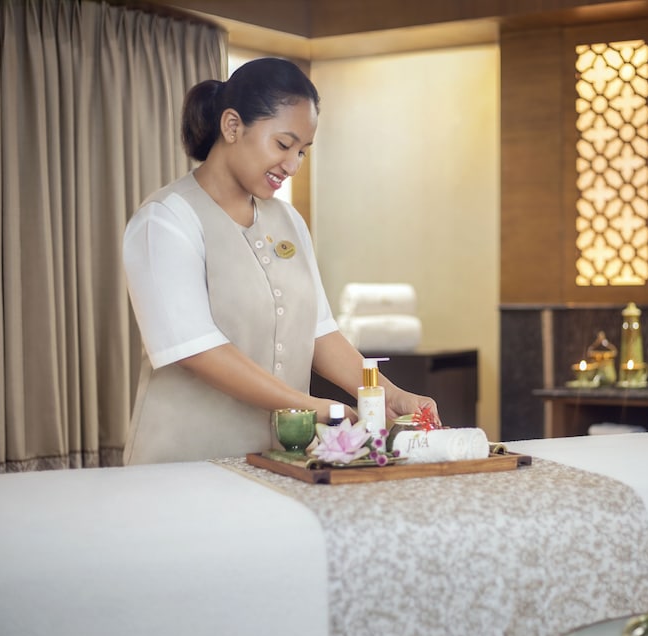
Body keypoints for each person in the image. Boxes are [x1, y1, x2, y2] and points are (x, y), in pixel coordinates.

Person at [122, 57, 439, 465]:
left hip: (281, 462)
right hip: (185, 463)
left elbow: (319, 334)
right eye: (284, 145)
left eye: (302, 151)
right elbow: (196, 349)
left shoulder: (288, 221)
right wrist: (312, 406)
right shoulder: (166, 219)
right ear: (232, 126)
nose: (292, 165)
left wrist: (385, 393)